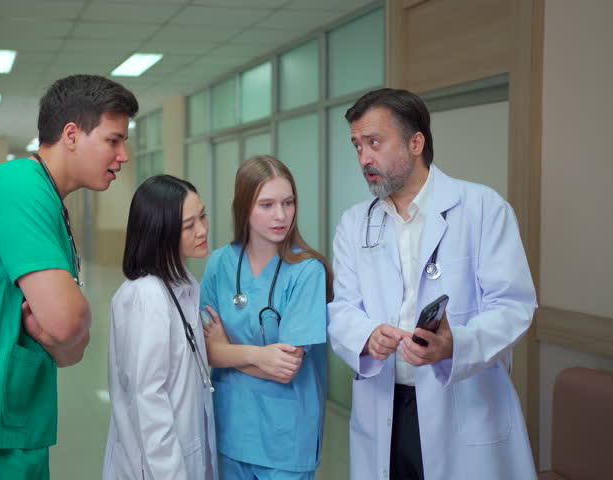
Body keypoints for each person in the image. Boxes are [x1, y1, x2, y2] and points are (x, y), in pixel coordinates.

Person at [0, 74, 138, 479]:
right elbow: (67, 323)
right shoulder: (17, 189)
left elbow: (70, 345)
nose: (124, 155)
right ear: (71, 134)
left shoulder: (48, 197)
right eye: (113, 140)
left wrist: (65, 329)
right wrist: (67, 326)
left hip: (11, 414)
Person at [326, 88, 537, 479]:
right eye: (357, 146)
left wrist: (454, 344)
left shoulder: (482, 208)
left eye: (374, 142)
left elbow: (512, 305)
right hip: (386, 405)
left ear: (416, 142)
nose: (364, 158)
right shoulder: (355, 223)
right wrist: (368, 335)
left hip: (461, 402)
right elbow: (342, 309)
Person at [200, 155, 332, 479]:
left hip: (285, 440)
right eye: (267, 204)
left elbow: (285, 368)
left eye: (288, 203)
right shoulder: (220, 263)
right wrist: (259, 355)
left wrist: (226, 352)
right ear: (245, 207)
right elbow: (202, 351)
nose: (281, 215)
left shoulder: (307, 271)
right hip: (229, 430)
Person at [103, 174, 218, 480]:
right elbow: (148, 399)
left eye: (203, 216)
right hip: (158, 468)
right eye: (189, 225)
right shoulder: (148, 296)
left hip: (183, 453)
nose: (203, 230)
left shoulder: (183, 284)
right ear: (160, 232)